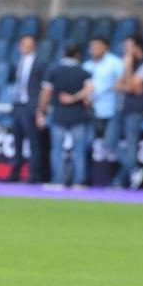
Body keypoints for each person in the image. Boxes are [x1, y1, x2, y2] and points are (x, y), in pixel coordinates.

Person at [38, 44, 94, 189]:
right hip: (78, 115)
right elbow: (89, 90)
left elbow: (46, 92)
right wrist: (75, 98)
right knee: (79, 150)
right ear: (78, 56)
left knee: (57, 149)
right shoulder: (83, 71)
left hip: (59, 115)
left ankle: (58, 181)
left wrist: (41, 111)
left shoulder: (54, 70)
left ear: (63, 53)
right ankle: (79, 181)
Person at [107, 35, 143, 189]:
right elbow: (118, 85)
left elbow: (133, 86)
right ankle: (134, 169)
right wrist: (127, 82)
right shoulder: (127, 64)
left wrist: (127, 71)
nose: (125, 50)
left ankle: (120, 180)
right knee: (109, 142)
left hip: (135, 110)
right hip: (120, 108)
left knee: (131, 145)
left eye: (128, 46)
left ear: (137, 48)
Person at [9, 35, 49, 183]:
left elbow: (44, 87)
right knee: (17, 142)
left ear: (34, 46)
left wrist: (40, 109)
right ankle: (15, 173)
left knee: (34, 143)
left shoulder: (41, 63)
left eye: (29, 44)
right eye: (23, 44)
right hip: (18, 105)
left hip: (31, 106)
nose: (26, 47)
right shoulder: (16, 62)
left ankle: (34, 175)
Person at [82, 36, 124, 166]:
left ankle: (131, 170)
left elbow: (122, 85)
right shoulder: (86, 66)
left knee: (111, 143)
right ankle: (85, 178)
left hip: (112, 109)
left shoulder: (116, 63)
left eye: (98, 46)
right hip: (91, 110)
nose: (94, 49)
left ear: (106, 47)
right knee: (85, 143)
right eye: (92, 46)